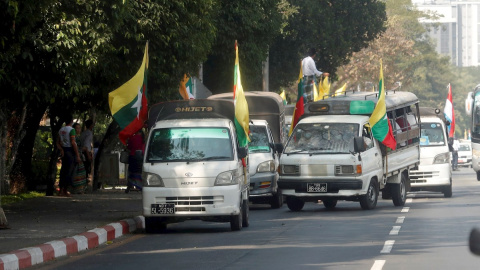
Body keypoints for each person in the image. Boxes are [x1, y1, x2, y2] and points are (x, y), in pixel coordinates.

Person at [56, 116, 82, 197]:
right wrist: (77, 155)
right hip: (70, 151)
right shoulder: (72, 130)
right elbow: (73, 142)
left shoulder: (61, 130)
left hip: (64, 151)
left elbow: (57, 142)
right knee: (69, 171)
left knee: (63, 171)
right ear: (71, 121)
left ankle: (60, 190)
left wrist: (61, 150)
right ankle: (65, 190)